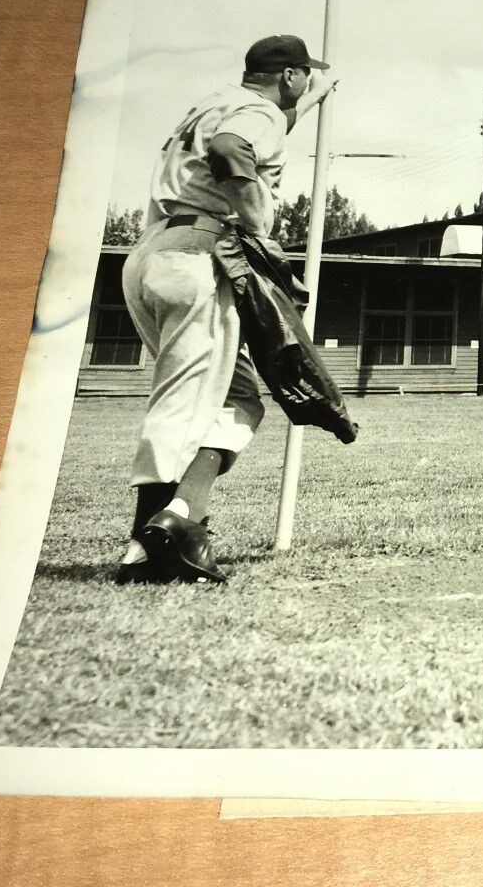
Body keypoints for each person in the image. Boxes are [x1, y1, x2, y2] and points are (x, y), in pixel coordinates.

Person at [114, 34, 336, 584]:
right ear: (289, 75)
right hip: (198, 258)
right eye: (305, 76)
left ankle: (179, 517)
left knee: (238, 398)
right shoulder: (254, 112)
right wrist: (257, 219)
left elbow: (252, 130)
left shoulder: (215, 101)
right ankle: (149, 549)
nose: (305, 84)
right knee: (182, 403)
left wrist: (312, 100)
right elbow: (234, 149)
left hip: (152, 254)